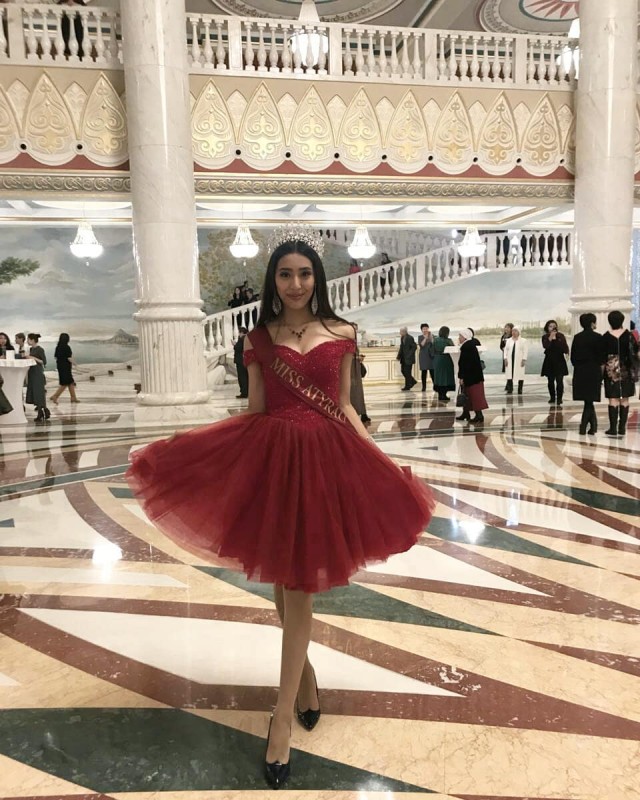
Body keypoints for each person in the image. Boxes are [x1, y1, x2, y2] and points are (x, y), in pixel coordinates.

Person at [126, 227, 434, 789]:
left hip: (325, 463)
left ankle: (282, 717)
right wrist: (197, 445)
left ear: (318, 278)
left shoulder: (343, 331)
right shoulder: (258, 338)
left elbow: (345, 405)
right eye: (286, 274)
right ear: (273, 280)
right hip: (275, 460)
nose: (295, 283)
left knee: (298, 585)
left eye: (305, 273)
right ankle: (303, 684)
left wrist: (378, 459)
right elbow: (256, 408)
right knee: (285, 578)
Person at [602, 310, 639, 436]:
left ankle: (613, 428)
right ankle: (622, 428)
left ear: (610, 321)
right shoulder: (629, 336)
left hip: (611, 369)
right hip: (626, 369)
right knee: (625, 399)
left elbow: (602, 356)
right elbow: (635, 353)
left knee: (613, 399)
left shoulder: (605, 337)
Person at [570, 313, 605, 435]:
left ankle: (592, 426)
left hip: (580, 372)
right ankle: (584, 426)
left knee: (588, 400)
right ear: (592, 323)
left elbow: (573, 358)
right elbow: (602, 357)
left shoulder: (577, 337)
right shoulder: (598, 337)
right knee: (589, 400)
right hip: (593, 372)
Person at [456, 328, 488, 424]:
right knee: (468, 395)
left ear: (465, 337)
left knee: (474, 396)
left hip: (472, 377)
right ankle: (466, 413)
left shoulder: (467, 347)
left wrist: (462, 377)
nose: (459, 338)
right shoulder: (469, 345)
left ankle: (479, 416)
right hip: (473, 376)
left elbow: (465, 364)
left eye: (460, 336)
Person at [541, 320, 569, 407]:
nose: (553, 328)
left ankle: (559, 398)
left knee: (559, 380)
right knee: (550, 381)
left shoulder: (561, 336)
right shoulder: (545, 337)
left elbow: (565, 347)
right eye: (550, 326)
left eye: (554, 326)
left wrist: (567, 352)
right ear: (547, 328)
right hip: (549, 360)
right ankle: (552, 397)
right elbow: (545, 346)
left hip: (559, 360)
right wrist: (551, 337)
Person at [25, 334, 50, 422]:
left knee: (39, 392)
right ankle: (41, 411)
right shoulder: (31, 349)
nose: (27, 341)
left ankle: (42, 411)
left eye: (28, 339)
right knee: (35, 393)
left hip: (37, 373)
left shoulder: (40, 350)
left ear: (32, 340)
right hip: (32, 372)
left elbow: (43, 362)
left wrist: (32, 358)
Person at [50, 333, 79, 404]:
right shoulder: (67, 347)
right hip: (66, 367)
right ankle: (55, 396)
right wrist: (75, 364)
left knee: (70, 382)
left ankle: (73, 397)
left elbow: (55, 357)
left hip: (60, 367)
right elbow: (69, 358)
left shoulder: (58, 347)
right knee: (65, 383)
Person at [503, 326, 528, 394]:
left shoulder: (523, 341)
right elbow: (505, 350)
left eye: (515, 331)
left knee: (520, 374)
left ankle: (520, 389)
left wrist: (524, 359)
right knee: (509, 374)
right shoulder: (508, 340)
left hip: (519, 360)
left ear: (519, 332)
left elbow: (525, 351)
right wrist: (505, 358)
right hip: (509, 360)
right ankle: (510, 389)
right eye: (513, 331)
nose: (514, 332)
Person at [433, 325, 455, 402]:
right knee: (446, 377)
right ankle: (444, 394)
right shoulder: (448, 341)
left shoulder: (435, 340)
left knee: (439, 377)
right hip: (446, 360)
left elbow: (432, 350)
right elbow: (453, 348)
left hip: (437, 359)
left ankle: (440, 394)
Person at [350, 351, 370, 424]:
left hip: (355, 374)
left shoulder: (353, 348)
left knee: (358, 395)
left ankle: (362, 413)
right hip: (352, 374)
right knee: (354, 395)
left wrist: (358, 358)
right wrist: (357, 358)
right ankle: (357, 414)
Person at [397, 326, 417, 391]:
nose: (400, 333)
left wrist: (409, 355)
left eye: (400, 331)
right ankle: (412, 381)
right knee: (403, 371)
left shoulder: (410, 338)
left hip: (409, 359)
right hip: (403, 358)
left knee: (407, 372)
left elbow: (414, 347)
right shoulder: (402, 338)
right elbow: (401, 347)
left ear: (404, 332)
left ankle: (407, 386)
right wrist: (399, 356)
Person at [418, 323, 435, 392]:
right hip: (423, 356)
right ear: (421, 330)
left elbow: (433, 343)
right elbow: (421, 345)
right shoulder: (420, 337)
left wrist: (430, 337)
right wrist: (425, 338)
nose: (425, 330)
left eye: (426, 328)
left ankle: (435, 386)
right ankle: (424, 387)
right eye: (424, 329)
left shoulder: (432, 336)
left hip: (431, 355)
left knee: (432, 372)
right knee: (424, 372)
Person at [233, 327, 249, 399]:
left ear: (241, 332)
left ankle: (244, 392)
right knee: (246, 377)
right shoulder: (247, 338)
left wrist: (234, 345)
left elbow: (238, 348)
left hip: (240, 361)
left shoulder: (242, 339)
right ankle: (246, 392)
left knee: (242, 377)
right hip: (244, 360)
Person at [499, 323, 514, 391]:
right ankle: (508, 384)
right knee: (507, 370)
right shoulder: (503, 336)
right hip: (505, 356)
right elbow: (501, 346)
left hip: (512, 356)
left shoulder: (513, 336)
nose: (506, 329)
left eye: (508, 327)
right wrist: (503, 349)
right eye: (505, 327)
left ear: (511, 329)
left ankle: (510, 386)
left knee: (510, 370)